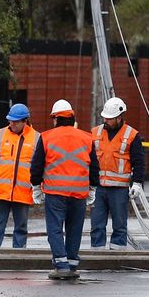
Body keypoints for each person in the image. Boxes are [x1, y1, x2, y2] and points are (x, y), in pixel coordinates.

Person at [30, 99, 100, 280]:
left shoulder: (46, 137)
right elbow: (94, 167)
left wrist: (36, 187)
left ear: (55, 119)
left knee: (55, 229)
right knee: (74, 229)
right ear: (72, 118)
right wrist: (93, 188)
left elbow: (37, 165)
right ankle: (72, 264)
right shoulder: (86, 137)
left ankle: (61, 265)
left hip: (55, 192)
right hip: (79, 192)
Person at [0, 103, 40, 248]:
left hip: (23, 192)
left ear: (25, 121)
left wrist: (39, 189)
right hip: (1, 191)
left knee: (21, 228)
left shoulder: (37, 139)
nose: (11, 123)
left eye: (15, 121)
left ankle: (18, 257)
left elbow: (40, 167)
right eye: (10, 120)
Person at [90, 97, 145, 250]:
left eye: (109, 118)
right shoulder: (95, 133)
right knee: (96, 225)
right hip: (99, 188)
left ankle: (117, 256)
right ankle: (97, 256)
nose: (105, 120)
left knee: (119, 226)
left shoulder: (132, 135)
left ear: (119, 118)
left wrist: (138, 183)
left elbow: (138, 162)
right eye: (104, 117)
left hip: (119, 189)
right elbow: (88, 159)